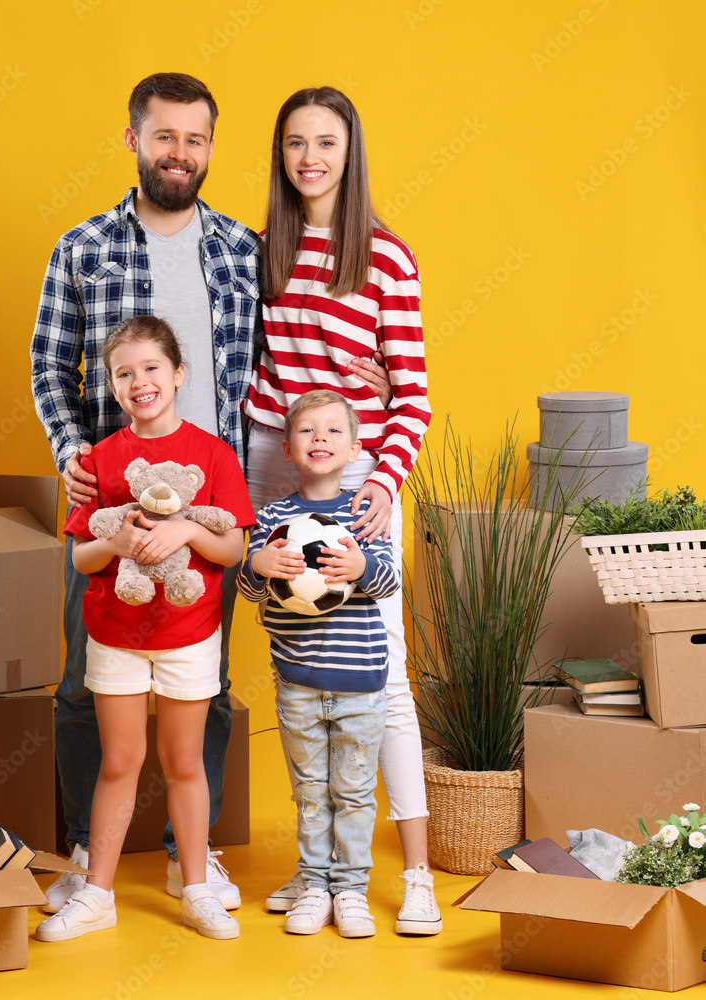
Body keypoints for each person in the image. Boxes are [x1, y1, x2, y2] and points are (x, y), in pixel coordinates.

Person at [30, 72, 262, 910]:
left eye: (195, 139)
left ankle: (186, 857)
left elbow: (275, 366)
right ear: (134, 140)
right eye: (164, 137)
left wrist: (358, 376)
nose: (180, 153)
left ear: (208, 147)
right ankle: (90, 859)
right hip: (112, 506)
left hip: (207, 509)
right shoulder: (83, 248)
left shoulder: (241, 250)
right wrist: (71, 450)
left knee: (210, 679)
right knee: (83, 685)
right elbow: (50, 366)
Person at [243, 87, 442, 935]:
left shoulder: (387, 258)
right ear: (280, 155)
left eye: (326, 142)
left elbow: (414, 395)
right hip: (266, 452)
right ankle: (316, 868)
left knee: (379, 659)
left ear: (350, 151)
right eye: (294, 142)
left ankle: (419, 872)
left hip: (354, 464)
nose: (310, 157)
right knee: (284, 630)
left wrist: (382, 479)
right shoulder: (260, 254)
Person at [36, 316, 255, 943]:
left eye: (152, 368)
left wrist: (185, 531)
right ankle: (97, 894)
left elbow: (234, 546)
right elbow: (79, 555)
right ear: (111, 386)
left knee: (185, 762)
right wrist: (118, 538)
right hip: (115, 636)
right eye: (123, 374)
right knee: (120, 761)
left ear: (180, 374)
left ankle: (196, 890)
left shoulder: (213, 453)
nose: (140, 382)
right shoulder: (100, 460)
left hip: (190, 632)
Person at [237, 390, 396, 937]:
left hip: (360, 683)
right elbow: (249, 591)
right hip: (298, 682)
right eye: (307, 431)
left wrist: (357, 567)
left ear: (356, 449)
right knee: (309, 790)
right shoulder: (274, 518)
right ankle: (313, 882)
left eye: (333, 431)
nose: (320, 439)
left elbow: (389, 581)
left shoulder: (367, 517)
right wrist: (257, 563)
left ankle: (350, 889)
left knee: (352, 792)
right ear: (286, 448)